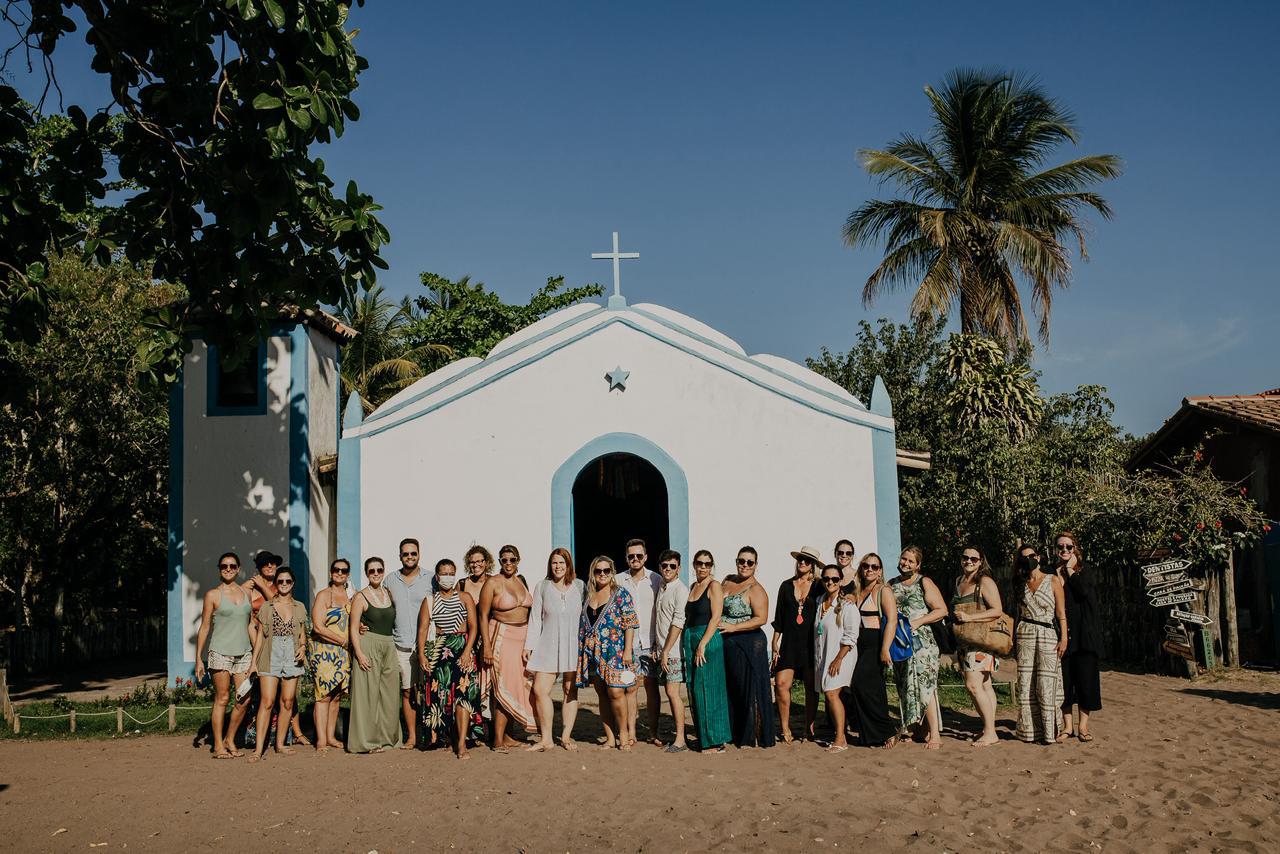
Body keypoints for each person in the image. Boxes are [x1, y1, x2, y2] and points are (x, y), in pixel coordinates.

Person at [415, 559, 483, 759]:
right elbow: (423, 628)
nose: (448, 577)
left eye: (451, 573)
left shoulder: (465, 597)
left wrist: (467, 651)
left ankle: (461, 743)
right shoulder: (430, 600)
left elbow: (474, 627)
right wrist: (421, 654)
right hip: (440, 651)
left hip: (462, 647)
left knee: (463, 696)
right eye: (444, 573)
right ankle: (446, 737)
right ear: (437, 577)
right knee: (442, 697)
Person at [194, 552, 257, 758]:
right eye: (224, 566)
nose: (228, 569)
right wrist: (198, 659)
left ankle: (230, 738)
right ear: (219, 569)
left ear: (238, 569)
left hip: (244, 653)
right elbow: (204, 627)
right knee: (222, 698)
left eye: (232, 566)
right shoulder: (213, 595)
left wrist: (257, 653)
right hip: (220, 652)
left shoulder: (245, 593)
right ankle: (218, 745)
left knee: (244, 699)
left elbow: (249, 625)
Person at [243, 549, 309, 746]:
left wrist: (304, 646)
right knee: (266, 701)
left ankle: (282, 742)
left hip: (291, 651)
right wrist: (255, 661)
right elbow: (254, 625)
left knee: (288, 701)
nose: (284, 584)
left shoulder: (298, 606)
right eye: (265, 563)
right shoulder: (263, 600)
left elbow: (301, 631)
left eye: (288, 581)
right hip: (265, 647)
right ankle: (257, 747)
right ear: (258, 567)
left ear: (292, 583)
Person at [523, 548, 584, 752]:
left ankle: (566, 737)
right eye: (554, 563)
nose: (558, 567)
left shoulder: (579, 586)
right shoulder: (542, 587)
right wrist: (529, 645)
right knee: (540, 690)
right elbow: (535, 619)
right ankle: (546, 738)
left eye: (561, 563)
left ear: (568, 565)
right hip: (547, 644)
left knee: (570, 689)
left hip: (573, 645)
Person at [478, 544, 536, 751]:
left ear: (518, 560)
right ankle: (498, 739)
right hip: (502, 636)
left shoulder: (521, 582)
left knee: (516, 685)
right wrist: (486, 646)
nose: (508, 563)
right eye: (504, 560)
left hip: (522, 639)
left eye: (512, 560)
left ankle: (509, 735)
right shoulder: (493, 582)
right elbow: (483, 615)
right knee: (504, 687)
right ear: (500, 562)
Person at [578, 556, 639, 750]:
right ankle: (610, 737)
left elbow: (630, 623)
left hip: (616, 651)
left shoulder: (621, 594)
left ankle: (624, 733)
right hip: (594, 653)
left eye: (606, 570)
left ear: (612, 572)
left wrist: (628, 650)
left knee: (616, 691)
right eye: (598, 571)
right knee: (602, 693)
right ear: (593, 573)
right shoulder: (588, 595)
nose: (602, 574)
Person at [890, 545, 948, 748]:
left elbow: (941, 610)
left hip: (922, 642)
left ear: (918, 565)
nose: (905, 563)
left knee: (925, 685)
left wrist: (918, 621)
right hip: (900, 642)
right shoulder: (891, 584)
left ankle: (935, 734)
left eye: (910, 561)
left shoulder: (924, 582)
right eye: (904, 559)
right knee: (905, 684)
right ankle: (914, 726)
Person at [719, 546, 775, 749]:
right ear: (736, 561)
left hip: (749, 643)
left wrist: (734, 627)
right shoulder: (727, 581)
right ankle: (732, 731)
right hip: (726, 643)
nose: (745, 565)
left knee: (747, 690)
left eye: (749, 562)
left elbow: (761, 618)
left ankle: (751, 735)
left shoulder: (756, 589)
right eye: (741, 561)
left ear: (756, 565)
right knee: (731, 689)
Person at [950, 545, 1004, 747]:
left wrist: (970, 617)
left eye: (974, 559)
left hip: (981, 641)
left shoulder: (985, 581)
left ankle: (991, 732)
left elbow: (997, 610)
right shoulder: (959, 581)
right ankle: (988, 728)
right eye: (965, 557)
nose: (969, 561)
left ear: (981, 561)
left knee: (973, 685)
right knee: (984, 684)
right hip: (965, 641)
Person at [1014, 544, 1068, 744]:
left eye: (1031, 555)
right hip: (1025, 633)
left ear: (1038, 556)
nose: (1028, 559)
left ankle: (1049, 731)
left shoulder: (1052, 580)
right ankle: (1029, 731)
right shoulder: (1020, 582)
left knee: (1047, 682)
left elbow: (1061, 614)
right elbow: (1018, 613)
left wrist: (1064, 638)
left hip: (1047, 632)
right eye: (1024, 557)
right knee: (1026, 682)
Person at [347, 557, 402, 753]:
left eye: (379, 569)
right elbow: (353, 628)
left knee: (389, 694)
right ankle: (366, 742)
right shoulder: (361, 597)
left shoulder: (388, 593)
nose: (376, 573)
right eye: (372, 571)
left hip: (389, 645)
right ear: (366, 573)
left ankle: (388, 739)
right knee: (367, 695)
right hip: (368, 644)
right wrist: (359, 654)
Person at [383, 537, 432, 749]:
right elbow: (380, 606)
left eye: (413, 553)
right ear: (400, 556)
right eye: (406, 554)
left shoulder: (431, 579)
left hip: (429, 644)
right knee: (408, 691)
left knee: (432, 690)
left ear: (419, 554)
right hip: (402, 644)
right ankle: (412, 735)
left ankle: (432, 733)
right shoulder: (390, 580)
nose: (410, 557)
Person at [772, 546, 822, 743]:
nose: (802, 562)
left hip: (811, 643)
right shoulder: (785, 586)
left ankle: (809, 726)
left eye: (807, 561)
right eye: (800, 559)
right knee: (782, 684)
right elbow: (779, 617)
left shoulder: (820, 586)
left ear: (813, 565)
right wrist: (775, 641)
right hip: (789, 643)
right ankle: (785, 728)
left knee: (811, 686)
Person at [683, 550, 731, 753]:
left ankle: (715, 741)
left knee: (709, 689)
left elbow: (716, 617)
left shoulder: (714, 586)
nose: (703, 567)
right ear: (694, 565)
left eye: (707, 564)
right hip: (692, 638)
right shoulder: (694, 586)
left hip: (708, 640)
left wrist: (703, 644)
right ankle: (705, 737)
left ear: (712, 566)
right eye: (699, 563)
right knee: (695, 689)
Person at [1055, 532, 1102, 742]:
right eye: (1060, 547)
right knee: (1064, 682)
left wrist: (1070, 570)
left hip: (1084, 635)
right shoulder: (1051, 572)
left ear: (1076, 549)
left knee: (1086, 681)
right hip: (1062, 634)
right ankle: (1067, 727)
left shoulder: (1085, 571)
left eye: (1069, 547)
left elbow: (1083, 591)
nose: (1064, 550)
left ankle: (1083, 726)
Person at [616, 538, 662, 746]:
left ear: (645, 557)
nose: (635, 559)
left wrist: (660, 643)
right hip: (628, 644)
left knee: (652, 686)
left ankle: (653, 732)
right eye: (631, 556)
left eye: (639, 556)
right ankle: (631, 732)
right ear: (626, 558)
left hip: (651, 642)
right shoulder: (617, 580)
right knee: (630, 687)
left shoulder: (657, 579)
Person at [849, 553, 897, 747]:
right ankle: (869, 734)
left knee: (862, 685)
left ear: (880, 571)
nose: (870, 569)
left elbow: (891, 620)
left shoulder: (883, 590)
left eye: (874, 567)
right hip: (857, 642)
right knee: (867, 688)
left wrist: (885, 648)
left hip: (875, 641)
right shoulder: (857, 590)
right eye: (866, 566)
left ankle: (887, 731)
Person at [308, 558, 351, 752]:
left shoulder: (349, 596)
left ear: (348, 574)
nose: (340, 573)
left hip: (343, 653)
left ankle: (331, 736)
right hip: (325, 651)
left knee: (336, 696)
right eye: (336, 570)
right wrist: (342, 641)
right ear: (331, 572)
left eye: (344, 570)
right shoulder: (324, 595)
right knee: (323, 696)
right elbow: (318, 626)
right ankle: (321, 740)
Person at [814, 565, 859, 752]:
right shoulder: (819, 601)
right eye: (826, 579)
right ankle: (839, 732)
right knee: (829, 693)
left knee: (832, 693)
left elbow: (851, 635)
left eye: (834, 579)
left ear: (840, 581)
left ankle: (841, 738)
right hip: (824, 654)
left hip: (843, 655)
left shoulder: (848, 606)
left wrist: (838, 658)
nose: (830, 582)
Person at [654, 549, 690, 752]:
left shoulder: (680, 590)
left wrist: (666, 650)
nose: (668, 569)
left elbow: (678, 622)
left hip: (674, 652)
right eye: (664, 566)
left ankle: (680, 740)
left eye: (672, 566)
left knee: (673, 693)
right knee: (669, 692)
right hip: (662, 650)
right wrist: (657, 648)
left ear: (679, 568)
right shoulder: (662, 586)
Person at [461, 544, 495, 736]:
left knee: (489, 683)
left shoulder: (494, 582)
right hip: (469, 640)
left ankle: (490, 727)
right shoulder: (462, 584)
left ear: (487, 562)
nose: (476, 565)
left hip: (490, 636)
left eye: (479, 561)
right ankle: (472, 729)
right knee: (470, 683)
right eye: (472, 562)